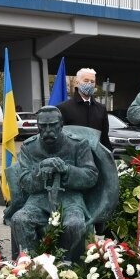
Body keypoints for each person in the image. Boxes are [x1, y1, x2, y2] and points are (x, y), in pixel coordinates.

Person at [10, 106, 98, 262]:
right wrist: (41, 169)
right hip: (38, 201)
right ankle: (29, 266)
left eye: (53, 125)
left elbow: (91, 176)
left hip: (70, 200)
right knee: (19, 219)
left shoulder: (78, 144)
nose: (48, 130)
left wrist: (66, 170)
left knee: (74, 224)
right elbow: (25, 182)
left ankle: (67, 266)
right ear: (37, 126)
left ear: (61, 125)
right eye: (43, 126)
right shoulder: (29, 147)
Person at [56, 67, 111, 151]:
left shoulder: (101, 109)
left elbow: (104, 138)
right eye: (86, 81)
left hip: (96, 157)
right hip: (73, 158)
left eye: (92, 82)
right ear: (77, 83)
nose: (89, 84)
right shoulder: (63, 108)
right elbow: (59, 138)